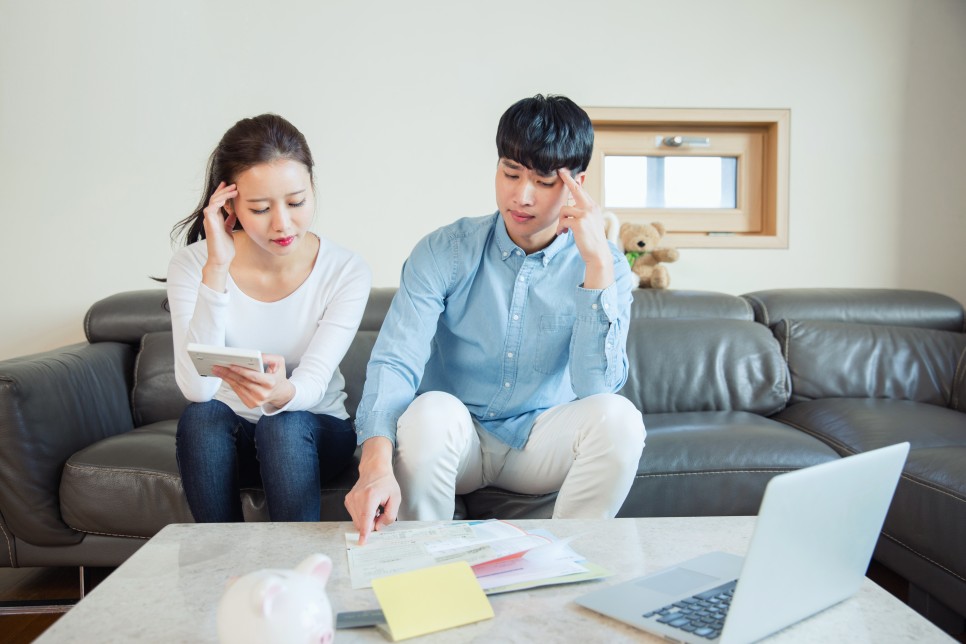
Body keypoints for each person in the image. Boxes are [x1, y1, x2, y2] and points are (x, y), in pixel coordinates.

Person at [345, 95, 645, 543]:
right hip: (454, 440)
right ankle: (419, 565)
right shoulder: (445, 250)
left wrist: (596, 266)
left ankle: (570, 562)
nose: (521, 196)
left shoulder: (608, 266)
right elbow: (395, 362)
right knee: (430, 411)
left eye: (543, 181)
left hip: (540, 442)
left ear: (576, 185)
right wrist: (374, 465)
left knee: (620, 418)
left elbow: (595, 388)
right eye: (510, 173)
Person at [166, 113, 371, 522]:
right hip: (231, 438)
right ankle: (222, 569)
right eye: (260, 208)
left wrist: (280, 394)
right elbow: (198, 390)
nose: (282, 224)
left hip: (313, 431)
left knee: (284, 425)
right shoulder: (193, 265)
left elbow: (312, 381)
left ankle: (297, 575)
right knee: (201, 418)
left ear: (312, 188)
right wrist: (216, 269)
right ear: (230, 204)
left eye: (296, 203)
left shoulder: (345, 270)